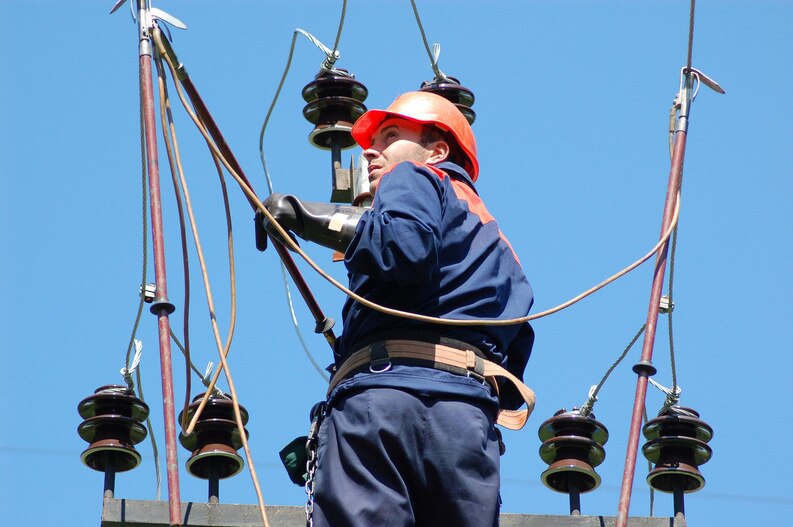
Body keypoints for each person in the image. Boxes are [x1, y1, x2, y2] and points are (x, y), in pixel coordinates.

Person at [261, 91, 535, 527]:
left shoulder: (416, 177)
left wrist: (303, 216)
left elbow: (404, 246)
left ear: (438, 150)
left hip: (386, 409)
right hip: (467, 428)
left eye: (390, 136)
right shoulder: (501, 248)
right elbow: (515, 348)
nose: (372, 150)